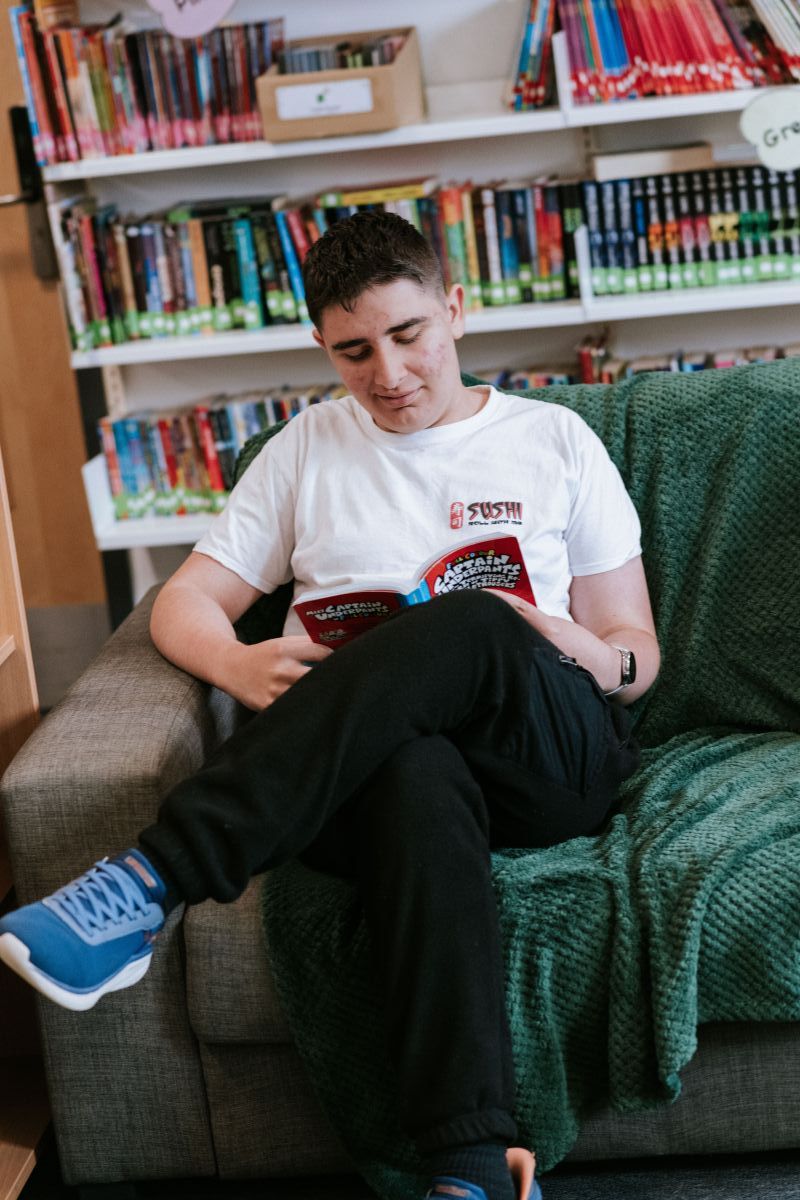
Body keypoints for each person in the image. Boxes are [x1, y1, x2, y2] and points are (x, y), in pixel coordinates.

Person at [0, 211, 660, 1200]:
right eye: (353, 350)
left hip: (546, 751)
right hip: (368, 766)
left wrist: (581, 649)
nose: (386, 372)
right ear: (321, 345)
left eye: (407, 336)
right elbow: (184, 603)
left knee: (477, 620)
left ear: (454, 310)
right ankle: (472, 1166)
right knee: (410, 766)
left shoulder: (551, 440)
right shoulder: (305, 449)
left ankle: (153, 879)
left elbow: (637, 655)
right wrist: (235, 665)